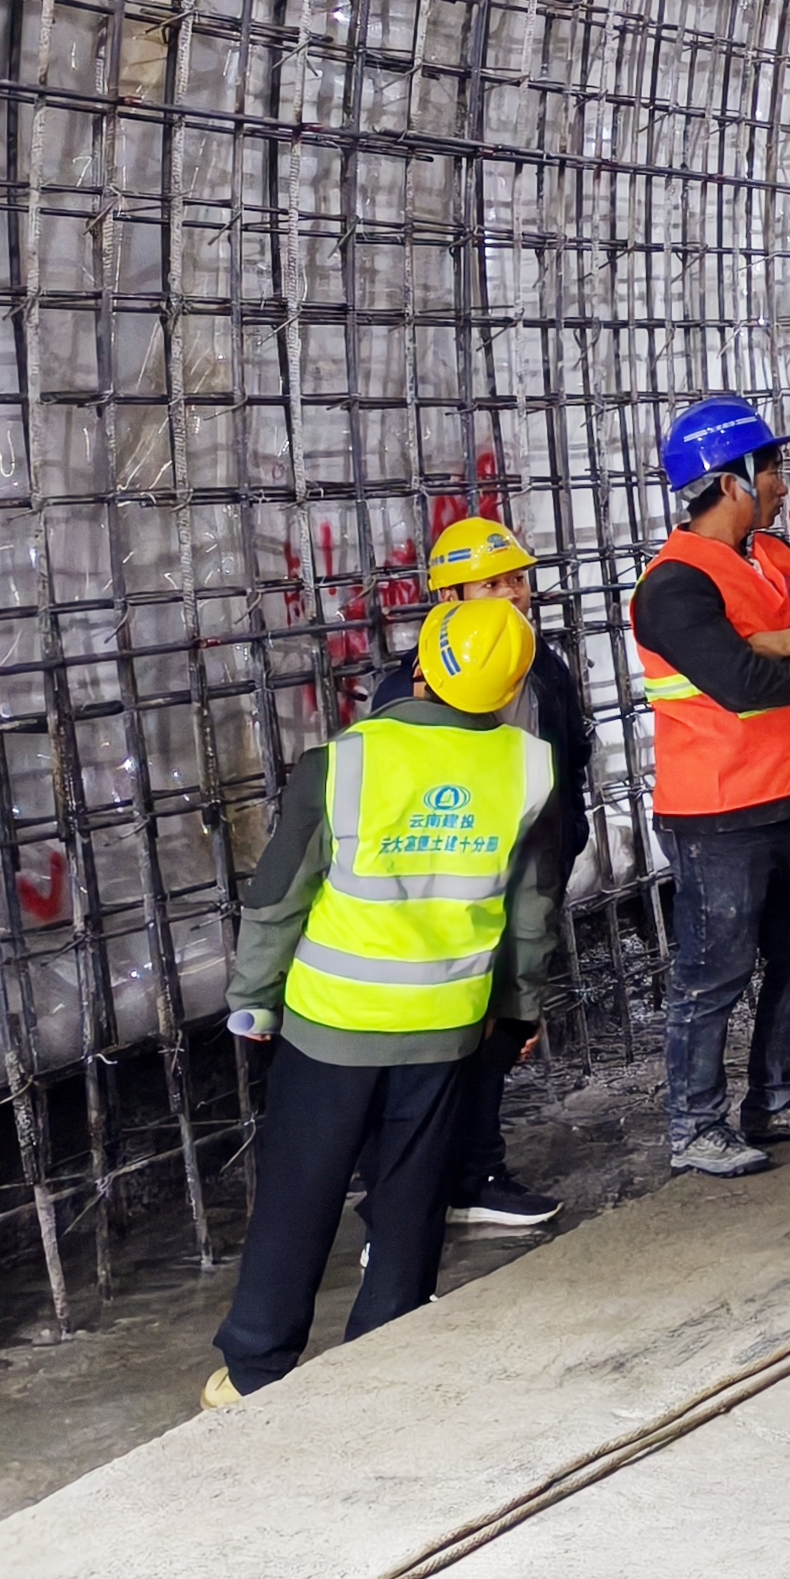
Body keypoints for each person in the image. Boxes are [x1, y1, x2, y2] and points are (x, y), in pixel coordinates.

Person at [201, 598, 567, 1409]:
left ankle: (256, 1370)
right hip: (446, 1025)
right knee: (413, 1193)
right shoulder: (530, 769)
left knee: (300, 1191)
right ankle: (387, 1351)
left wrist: (253, 998)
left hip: (332, 1024)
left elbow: (277, 899)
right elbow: (532, 913)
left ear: (423, 668)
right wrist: (520, 1008)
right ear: (512, 690)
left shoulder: (343, 762)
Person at [632, 395, 790, 1177]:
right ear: (730, 479)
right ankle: (695, 1126)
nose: (780, 482)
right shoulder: (673, 586)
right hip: (718, 812)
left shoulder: (773, 557)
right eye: (769, 469)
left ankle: (777, 1097)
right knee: (714, 975)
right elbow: (742, 684)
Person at [418, 517, 588, 1235]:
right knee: (452, 1040)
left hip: (525, 877)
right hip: (451, 894)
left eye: (518, 579)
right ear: (449, 597)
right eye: (493, 584)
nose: (515, 594)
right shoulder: (420, 681)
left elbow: (571, 758)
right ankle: (441, 1185)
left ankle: (471, 1174)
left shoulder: (543, 663)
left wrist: (563, 846)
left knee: (504, 1028)